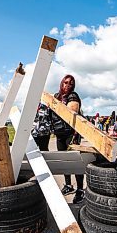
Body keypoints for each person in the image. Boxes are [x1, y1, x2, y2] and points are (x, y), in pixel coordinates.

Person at [51, 74, 84, 204]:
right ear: (61, 83)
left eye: (71, 83)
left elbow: (73, 109)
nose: (68, 85)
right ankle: (68, 185)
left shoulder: (73, 96)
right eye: (66, 82)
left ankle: (80, 189)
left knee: (75, 161)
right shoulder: (56, 97)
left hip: (72, 133)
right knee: (64, 161)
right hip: (59, 134)